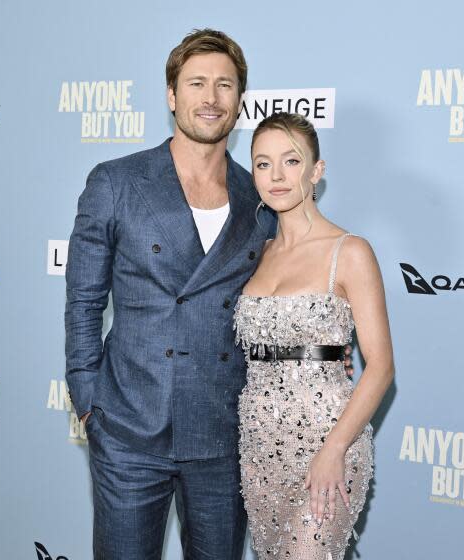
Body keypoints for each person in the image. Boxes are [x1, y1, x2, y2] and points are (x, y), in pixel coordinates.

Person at [65, 29, 276, 559]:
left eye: (224, 85)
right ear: (171, 95)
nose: (211, 98)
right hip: (130, 426)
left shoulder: (261, 197)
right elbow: (84, 301)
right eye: (197, 83)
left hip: (222, 428)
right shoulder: (116, 181)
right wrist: (88, 399)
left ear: (239, 100)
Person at [234, 112, 395, 558]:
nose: (277, 176)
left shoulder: (350, 252)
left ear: (316, 171)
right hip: (259, 447)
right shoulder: (257, 253)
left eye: (291, 161)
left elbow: (380, 367)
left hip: (328, 441)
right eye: (263, 164)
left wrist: (334, 450)